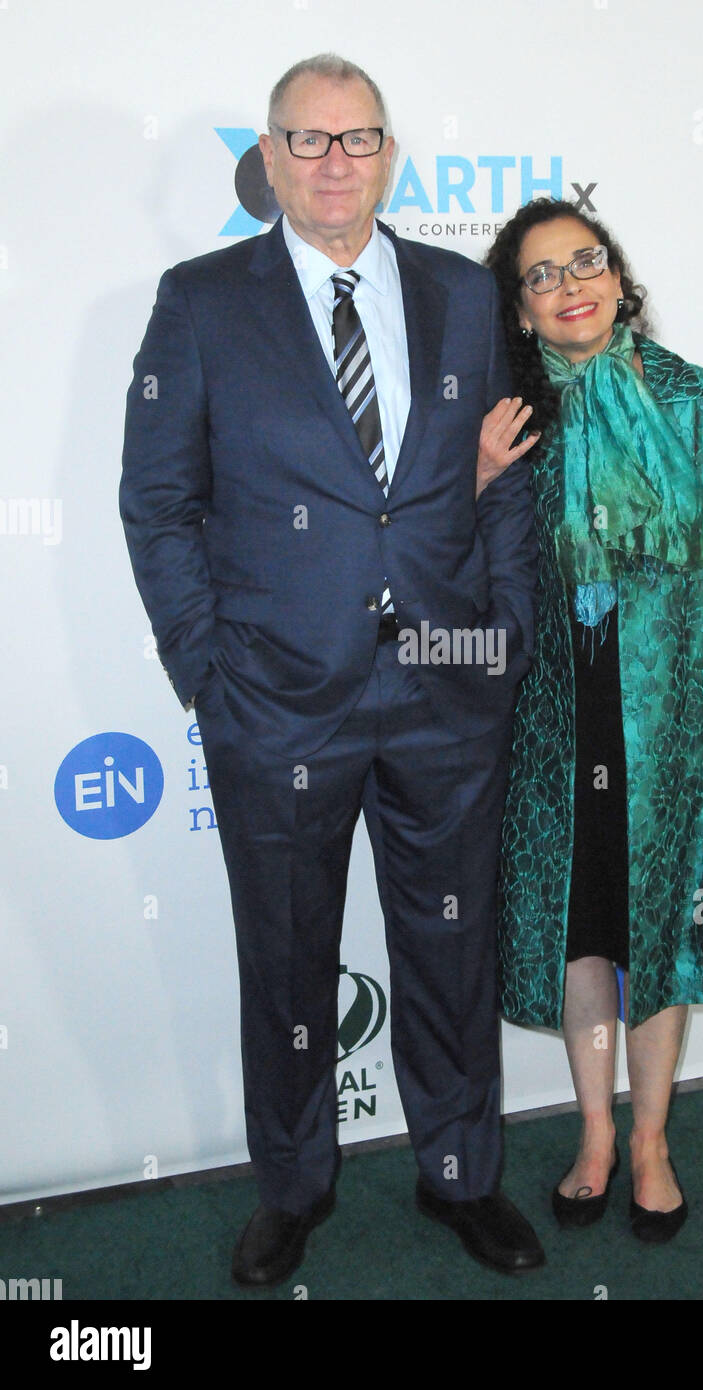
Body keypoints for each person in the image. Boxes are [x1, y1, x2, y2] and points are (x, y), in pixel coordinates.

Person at [120, 54, 543, 1285]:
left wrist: (502, 637)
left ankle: (461, 1172)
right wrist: (209, 670)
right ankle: (295, 1185)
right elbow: (158, 502)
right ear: (268, 156)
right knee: (290, 957)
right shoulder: (200, 302)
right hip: (276, 702)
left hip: (446, 688)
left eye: (357, 138)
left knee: (450, 948)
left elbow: (502, 483)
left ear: (390, 156)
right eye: (308, 140)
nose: (334, 161)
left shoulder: (463, 295)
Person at [479, 198, 703, 1243]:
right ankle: (594, 1135)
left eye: (587, 262)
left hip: (673, 706)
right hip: (553, 718)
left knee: (656, 927)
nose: (572, 286)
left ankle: (649, 1141)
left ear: (615, 275)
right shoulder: (510, 412)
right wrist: (476, 474)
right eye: (542, 276)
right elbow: (460, 553)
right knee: (584, 932)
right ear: (519, 311)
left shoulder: (693, 398)